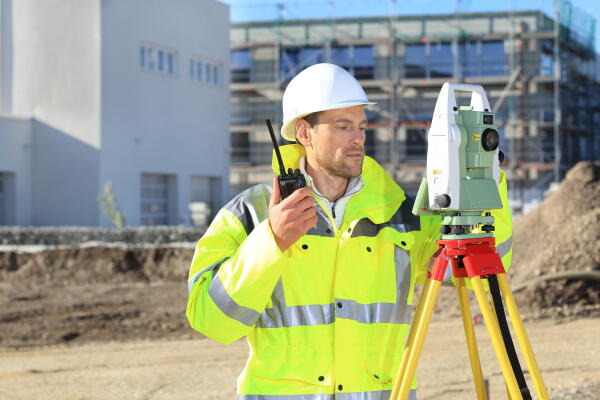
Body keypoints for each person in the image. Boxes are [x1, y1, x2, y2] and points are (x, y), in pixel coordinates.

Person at [186, 63, 513, 399]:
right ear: (304, 132)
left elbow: (485, 265)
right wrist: (272, 242)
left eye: (361, 126)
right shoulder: (251, 213)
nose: (358, 138)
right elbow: (211, 321)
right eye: (343, 127)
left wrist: (487, 180)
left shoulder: (400, 213)